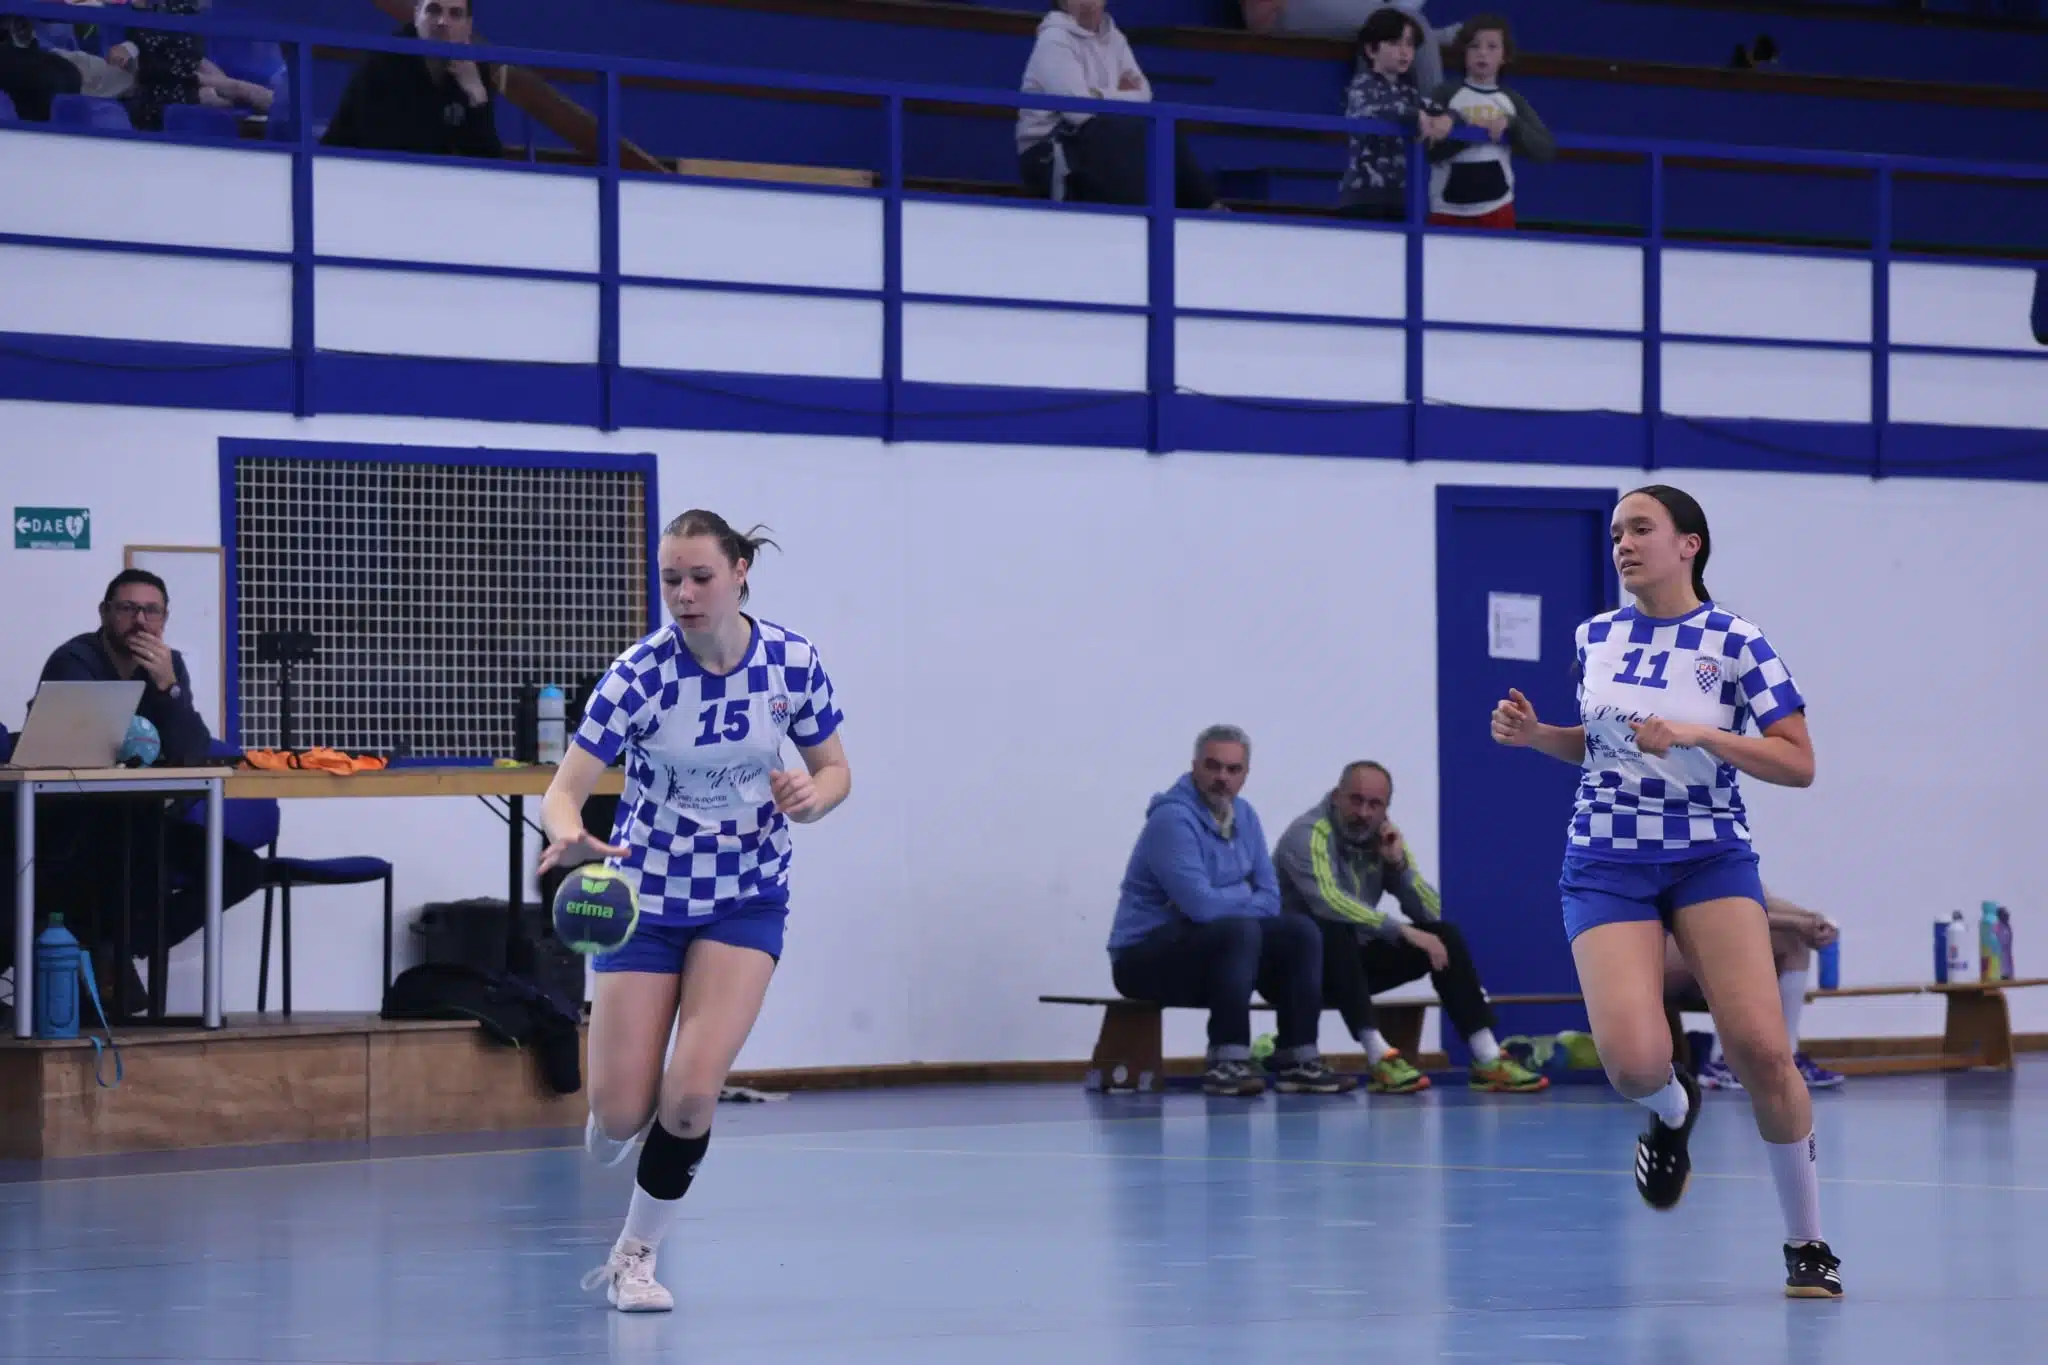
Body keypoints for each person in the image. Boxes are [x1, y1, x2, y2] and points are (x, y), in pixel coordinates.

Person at [1490, 484, 1843, 1300]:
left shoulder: (1736, 640)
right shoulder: (1595, 636)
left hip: (1707, 856)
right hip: (1606, 860)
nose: (1623, 542)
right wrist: (1537, 736)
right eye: (1617, 531)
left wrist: (1702, 734)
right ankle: (1673, 1109)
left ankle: (1808, 1243)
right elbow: (1600, 747)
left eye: (1641, 528)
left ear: (1690, 544)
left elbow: (1798, 761)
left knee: (1761, 1048)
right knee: (1633, 1063)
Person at [537, 509, 851, 1314]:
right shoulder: (639, 674)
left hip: (745, 895)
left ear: (740, 571)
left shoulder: (791, 662)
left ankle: (634, 1257)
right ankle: (613, 1116)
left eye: (700, 576)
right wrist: (568, 832)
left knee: (689, 1094)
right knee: (621, 1111)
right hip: (647, 898)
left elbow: (835, 769)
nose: (683, 593)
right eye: (670, 578)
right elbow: (563, 790)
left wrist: (813, 796)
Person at [8, 569, 265, 1011]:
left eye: (152, 611)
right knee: (124, 861)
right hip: (77, 823)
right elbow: (76, 748)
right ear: (105, 613)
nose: (141, 621)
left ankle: (122, 946)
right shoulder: (75, 660)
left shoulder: (168, 664)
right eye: (128, 609)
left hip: (145, 817)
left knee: (241, 870)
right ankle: (108, 951)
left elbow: (191, 750)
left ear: (165, 617)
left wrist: (168, 687)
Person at [1273, 760, 1548, 1094]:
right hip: (1293, 973)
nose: (1363, 813)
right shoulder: (1309, 834)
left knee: (1444, 935)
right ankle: (1379, 1057)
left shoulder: (1383, 838)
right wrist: (1403, 931)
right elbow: (1329, 902)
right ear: (1336, 797)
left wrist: (1398, 866)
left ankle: (1487, 1057)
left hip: (1350, 968)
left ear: (1385, 809)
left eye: (1374, 804)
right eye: (1356, 800)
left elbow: (1431, 913)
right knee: (1333, 928)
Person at [1106, 726, 1353, 1097]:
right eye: (1213, 766)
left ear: (1245, 774)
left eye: (1233, 769)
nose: (1222, 777)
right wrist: (1242, 891)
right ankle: (1227, 1061)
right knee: (1240, 930)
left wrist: (1228, 896)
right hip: (1141, 958)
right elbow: (1202, 908)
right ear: (1194, 767)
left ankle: (1297, 1059)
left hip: (1214, 952)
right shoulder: (1171, 820)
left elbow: (1271, 898)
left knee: (1300, 931)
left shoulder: (1246, 816)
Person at [1017, 0, 1223, 210]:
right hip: (1049, 149)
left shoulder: (1115, 38)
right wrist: (1119, 94)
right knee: (1125, 133)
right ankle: (1144, 218)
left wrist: (1098, 95)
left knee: (1161, 129)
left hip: (1101, 138)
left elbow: (1144, 94)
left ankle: (1206, 208)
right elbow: (1078, 112)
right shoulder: (1054, 40)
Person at [1667, 891, 1843, 1091]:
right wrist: (1796, 923)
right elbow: (1724, 913)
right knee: (1735, 932)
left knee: (1793, 939)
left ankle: (1787, 1057)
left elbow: (1759, 897)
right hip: (1657, 960)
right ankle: (1723, 1061)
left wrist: (1812, 919)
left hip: (1695, 957)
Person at [322, 0, 504, 158]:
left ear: (468, 26)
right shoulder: (384, 62)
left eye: (455, 14)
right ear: (417, 15)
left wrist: (477, 95)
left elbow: (489, 159)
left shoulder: (475, 70)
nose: (442, 22)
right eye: (434, 10)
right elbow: (385, 147)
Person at [1424, 14, 1554, 229]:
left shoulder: (1511, 100)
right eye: (1474, 46)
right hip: (1447, 210)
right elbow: (1430, 151)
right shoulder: (1445, 93)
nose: (1482, 53)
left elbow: (1545, 149)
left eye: (1492, 46)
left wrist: (1512, 124)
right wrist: (1471, 133)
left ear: (1505, 56)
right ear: (1464, 52)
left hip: (1497, 209)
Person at [1337, 7, 1455, 221]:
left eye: (1409, 44)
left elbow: (1444, 110)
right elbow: (1375, 111)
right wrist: (1415, 116)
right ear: (1371, 50)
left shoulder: (1410, 93)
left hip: (1402, 198)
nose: (1404, 51)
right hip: (1363, 197)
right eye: (1394, 43)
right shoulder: (1361, 86)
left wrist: (1448, 118)